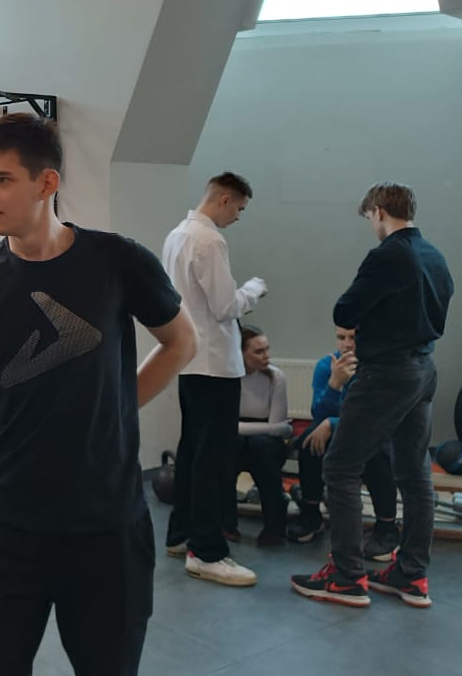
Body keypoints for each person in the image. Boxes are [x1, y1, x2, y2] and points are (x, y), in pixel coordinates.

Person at [0, 113, 196, 676]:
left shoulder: (117, 260)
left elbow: (181, 342)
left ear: (46, 183)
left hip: (106, 526)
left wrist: (120, 407)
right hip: (5, 526)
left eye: (1, 179)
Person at [292, 182, 453, 609]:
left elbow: (345, 311)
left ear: (379, 211)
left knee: (341, 466)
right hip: (423, 369)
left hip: (386, 372)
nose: (370, 225)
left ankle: (347, 577)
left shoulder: (387, 255)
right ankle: (411, 575)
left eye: (369, 217)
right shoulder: (434, 254)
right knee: (415, 473)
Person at [162, 172, 267, 586]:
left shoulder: (176, 235)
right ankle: (206, 551)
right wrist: (254, 289)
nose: (238, 216)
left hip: (190, 360)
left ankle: (181, 533)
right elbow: (226, 307)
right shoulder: (209, 240)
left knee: (192, 450)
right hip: (215, 364)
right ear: (224, 199)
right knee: (213, 459)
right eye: (239, 208)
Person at [285, 326, 399, 558]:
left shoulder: (379, 367)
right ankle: (311, 514)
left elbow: (376, 417)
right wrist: (335, 384)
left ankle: (386, 526)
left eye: (353, 338)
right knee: (309, 441)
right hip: (341, 430)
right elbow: (318, 412)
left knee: (379, 452)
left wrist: (333, 423)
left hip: (373, 432)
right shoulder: (326, 365)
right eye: (341, 337)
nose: (347, 344)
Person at [224, 325, 292, 546]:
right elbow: (227, 428)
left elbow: (278, 430)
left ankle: (274, 526)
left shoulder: (276, 377)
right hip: (240, 439)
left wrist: (241, 427)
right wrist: (273, 428)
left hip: (267, 444)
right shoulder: (228, 378)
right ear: (241, 354)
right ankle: (226, 524)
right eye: (258, 351)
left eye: (267, 349)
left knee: (261, 446)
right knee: (228, 445)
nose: (266, 356)